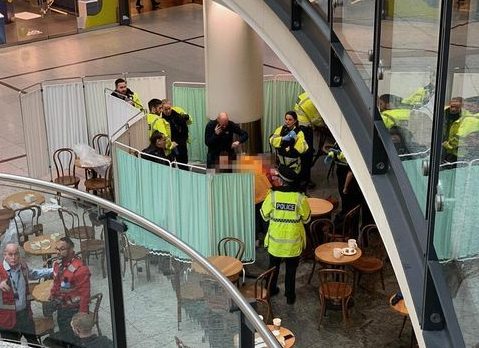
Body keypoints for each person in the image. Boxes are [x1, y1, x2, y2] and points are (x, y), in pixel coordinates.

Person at [260, 165, 311, 305]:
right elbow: (307, 219)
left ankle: (270, 289)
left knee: (273, 267)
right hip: (293, 242)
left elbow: (264, 215)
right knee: (291, 270)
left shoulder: (273, 196)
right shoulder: (300, 198)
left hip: (275, 242)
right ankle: (290, 296)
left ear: (281, 181)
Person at [0, 242, 53, 346]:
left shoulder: (23, 266)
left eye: (16, 254)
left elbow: (33, 274)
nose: (14, 257)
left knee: (34, 343)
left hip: (25, 315)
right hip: (7, 319)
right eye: (10, 254)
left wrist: (51, 270)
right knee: (13, 345)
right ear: (4, 255)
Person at [49, 237, 91, 347]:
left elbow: (85, 296)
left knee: (74, 341)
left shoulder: (80, 269)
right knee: (65, 336)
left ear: (71, 249)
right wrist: (53, 295)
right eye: (57, 249)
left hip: (74, 311)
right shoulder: (58, 264)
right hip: (62, 309)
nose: (58, 252)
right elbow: (58, 283)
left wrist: (81, 320)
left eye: (62, 249)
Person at [294, 92, 324, 188]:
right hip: (305, 129)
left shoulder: (307, 94)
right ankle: (305, 180)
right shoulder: (313, 103)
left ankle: (302, 177)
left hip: (299, 126)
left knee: (303, 154)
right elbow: (317, 120)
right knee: (307, 155)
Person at [269, 111, 309, 176]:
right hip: (280, 164)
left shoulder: (299, 133)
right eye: (286, 119)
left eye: (290, 120)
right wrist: (282, 139)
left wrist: (295, 139)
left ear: (295, 121)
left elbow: (301, 150)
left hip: (293, 167)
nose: (287, 121)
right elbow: (271, 140)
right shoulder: (281, 129)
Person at [161, 99, 192, 168]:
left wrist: (179, 142)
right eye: (165, 109)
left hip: (181, 143)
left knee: (183, 165)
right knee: (170, 166)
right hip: (169, 145)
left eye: (169, 108)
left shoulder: (178, 114)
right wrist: (170, 144)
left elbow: (187, 127)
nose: (168, 111)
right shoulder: (161, 118)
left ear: (171, 106)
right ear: (162, 109)